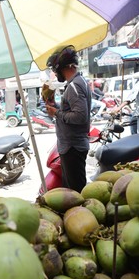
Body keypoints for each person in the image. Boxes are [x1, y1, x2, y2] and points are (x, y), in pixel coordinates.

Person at [45, 45, 92, 193]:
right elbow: (72, 110)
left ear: (61, 67)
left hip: (73, 147)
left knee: (75, 192)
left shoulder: (74, 86)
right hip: (72, 146)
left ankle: (80, 214)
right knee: (72, 188)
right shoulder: (78, 83)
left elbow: (80, 116)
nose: (54, 72)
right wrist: (55, 106)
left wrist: (56, 113)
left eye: (54, 69)